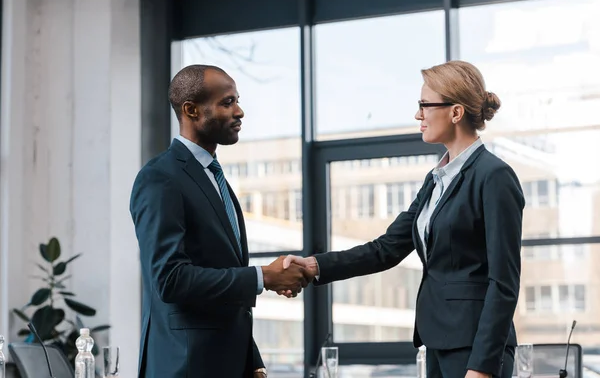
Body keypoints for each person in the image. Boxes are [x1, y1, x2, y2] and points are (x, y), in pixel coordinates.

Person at [282, 60, 525, 378]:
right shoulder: (436, 179)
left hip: (476, 351)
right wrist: (314, 266)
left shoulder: (494, 176)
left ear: (455, 112)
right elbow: (386, 249)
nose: (418, 114)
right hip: (438, 343)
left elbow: (504, 282)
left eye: (424, 105)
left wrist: (482, 366)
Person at [130, 64, 308, 378]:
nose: (239, 111)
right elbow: (169, 280)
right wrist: (262, 277)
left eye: (237, 101)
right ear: (191, 110)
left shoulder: (214, 177)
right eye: (227, 102)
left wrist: (251, 360)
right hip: (184, 368)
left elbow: (225, 285)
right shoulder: (161, 178)